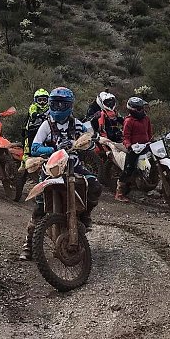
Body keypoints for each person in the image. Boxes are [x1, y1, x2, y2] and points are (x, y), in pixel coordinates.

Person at [22, 87, 101, 260]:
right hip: (52, 167)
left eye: (62, 104)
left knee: (94, 185)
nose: (58, 107)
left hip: (74, 165)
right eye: (55, 104)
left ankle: (85, 215)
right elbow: (35, 147)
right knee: (40, 205)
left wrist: (88, 142)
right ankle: (29, 243)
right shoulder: (46, 124)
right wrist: (53, 148)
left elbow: (90, 140)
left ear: (69, 106)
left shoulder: (77, 124)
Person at [116, 96, 152, 202]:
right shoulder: (129, 121)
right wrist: (129, 146)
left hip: (145, 146)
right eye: (140, 108)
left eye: (142, 108)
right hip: (134, 149)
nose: (142, 110)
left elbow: (149, 132)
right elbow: (126, 137)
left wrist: (151, 141)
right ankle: (119, 193)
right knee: (128, 169)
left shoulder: (146, 119)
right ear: (133, 110)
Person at [22, 88, 51, 158]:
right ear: (36, 100)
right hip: (32, 130)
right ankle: (25, 161)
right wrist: (37, 115)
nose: (42, 102)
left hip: (46, 130)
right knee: (28, 150)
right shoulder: (33, 106)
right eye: (40, 100)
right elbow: (33, 112)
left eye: (44, 100)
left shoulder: (50, 108)